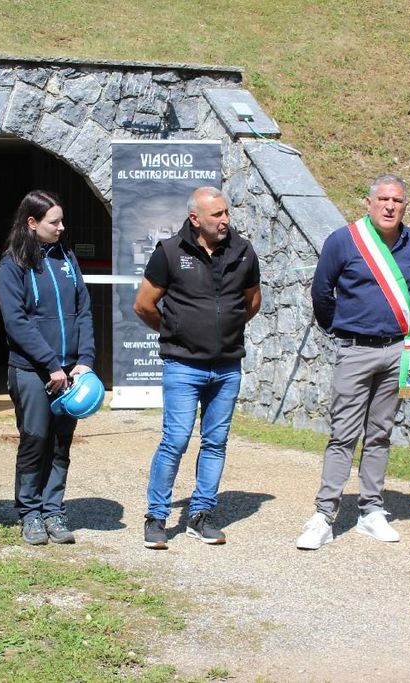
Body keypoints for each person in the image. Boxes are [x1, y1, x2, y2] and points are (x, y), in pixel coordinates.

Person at [296, 174, 410, 550]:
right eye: (383, 199)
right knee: (343, 434)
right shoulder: (343, 240)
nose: (390, 206)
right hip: (355, 351)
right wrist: (339, 326)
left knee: (380, 434)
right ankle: (324, 515)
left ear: (405, 206)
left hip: (396, 351)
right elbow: (321, 291)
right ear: (369, 203)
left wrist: (396, 325)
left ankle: (371, 510)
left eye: (397, 201)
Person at [134, 186, 262, 550]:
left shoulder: (243, 251)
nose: (225, 220)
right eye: (216, 214)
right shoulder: (169, 252)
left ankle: (201, 515)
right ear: (195, 218)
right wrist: (175, 331)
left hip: (227, 367)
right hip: (182, 366)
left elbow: (252, 302)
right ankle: (156, 517)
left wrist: (225, 329)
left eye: (226, 212)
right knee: (175, 440)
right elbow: (143, 305)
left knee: (215, 442)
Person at [0, 190, 95, 545]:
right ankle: (30, 513)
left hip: (70, 372)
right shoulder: (12, 265)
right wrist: (51, 364)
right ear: (32, 222)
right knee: (35, 441)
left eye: (62, 220)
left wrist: (85, 360)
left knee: (60, 443)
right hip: (32, 371)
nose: (62, 227)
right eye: (55, 222)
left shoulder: (67, 257)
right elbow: (16, 322)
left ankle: (54, 510)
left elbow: (83, 309)